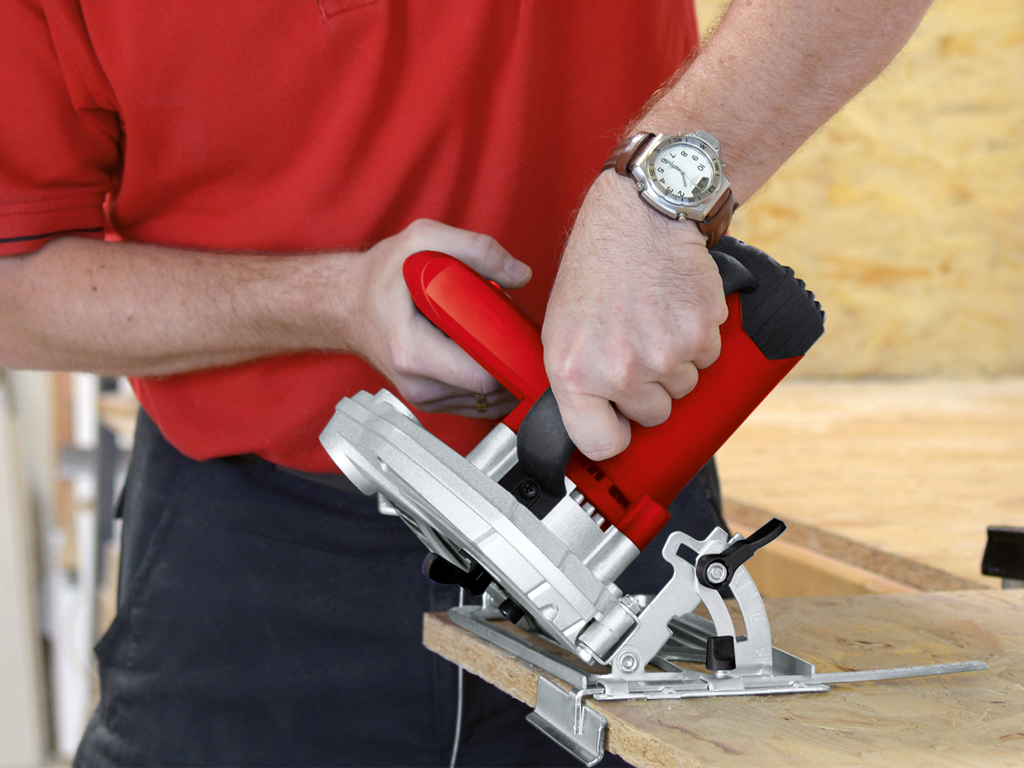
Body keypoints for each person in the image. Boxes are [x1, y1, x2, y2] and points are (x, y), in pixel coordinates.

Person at [0, 1, 932, 765]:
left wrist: (657, 198)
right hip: (256, 550)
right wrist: (333, 300)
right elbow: (16, 286)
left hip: (626, 520)